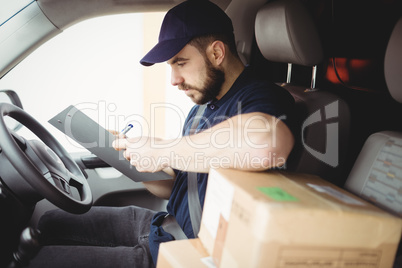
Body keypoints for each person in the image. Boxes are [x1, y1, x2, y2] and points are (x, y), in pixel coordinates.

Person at [28, 0, 295, 267]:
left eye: (181, 62)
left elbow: (267, 142)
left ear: (216, 53)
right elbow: (177, 186)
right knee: (51, 221)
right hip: (164, 227)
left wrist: (161, 149)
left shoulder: (262, 96)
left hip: (192, 253)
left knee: (44, 261)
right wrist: (128, 157)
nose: (174, 79)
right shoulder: (203, 107)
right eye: (171, 66)